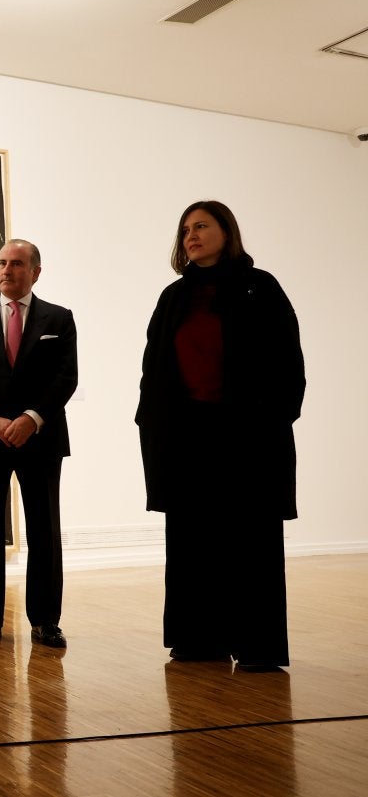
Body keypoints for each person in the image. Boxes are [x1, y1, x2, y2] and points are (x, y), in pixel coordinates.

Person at [136, 200, 303, 671]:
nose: (191, 235)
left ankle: (257, 646)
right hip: (188, 438)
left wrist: (275, 417)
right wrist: (151, 422)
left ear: (226, 232)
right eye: (185, 229)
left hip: (247, 436)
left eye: (202, 226)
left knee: (251, 540)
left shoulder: (260, 287)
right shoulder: (173, 297)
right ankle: (198, 639)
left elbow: (289, 361)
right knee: (192, 540)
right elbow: (154, 368)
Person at [0, 239, 78, 648]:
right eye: (2, 263)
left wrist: (30, 419)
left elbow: (65, 377)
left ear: (35, 272)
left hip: (40, 438)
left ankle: (45, 621)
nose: (7, 270)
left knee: (44, 529)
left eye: (17, 264)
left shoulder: (60, 318)